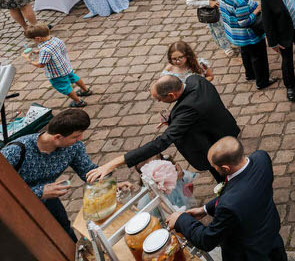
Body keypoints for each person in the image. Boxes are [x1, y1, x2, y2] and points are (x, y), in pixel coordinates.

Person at [88, 74, 240, 183]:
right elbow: (198, 110)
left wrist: (114, 163)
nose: (159, 102)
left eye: (160, 99)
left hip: (211, 144)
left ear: (172, 95)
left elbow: (161, 142)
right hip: (224, 128)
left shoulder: (188, 108)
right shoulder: (195, 79)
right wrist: (175, 120)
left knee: (225, 176)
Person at [167, 137, 286, 261]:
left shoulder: (229, 206)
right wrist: (205, 209)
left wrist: (181, 219)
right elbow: (240, 195)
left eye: (215, 167)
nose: (214, 169)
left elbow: (206, 240)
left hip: (250, 254)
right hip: (272, 240)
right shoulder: (261, 158)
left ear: (226, 168)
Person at [1, 109, 96, 241]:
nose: (80, 139)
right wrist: (39, 192)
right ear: (57, 137)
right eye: (75, 136)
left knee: (65, 230)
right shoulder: (15, 151)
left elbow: (88, 171)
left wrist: (109, 182)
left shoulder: (74, 147)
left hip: (49, 200)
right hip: (16, 208)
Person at [219, 0, 277, 90]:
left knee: (245, 53)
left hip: (234, 33)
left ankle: (250, 74)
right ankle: (262, 81)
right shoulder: (239, 1)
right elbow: (244, 22)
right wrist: (256, 10)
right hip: (248, 35)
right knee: (258, 57)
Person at [22, 23, 91, 107]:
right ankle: (85, 90)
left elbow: (41, 65)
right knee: (74, 78)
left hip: (57, 74)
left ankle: (78, 101)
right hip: (66, 67)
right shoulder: (55, 39)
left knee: (65, 87)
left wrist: (28, 60)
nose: (33, 41)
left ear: (38, 38)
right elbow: (53, 50)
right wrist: (38, 51)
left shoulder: (45, 50)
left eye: (33, 39)